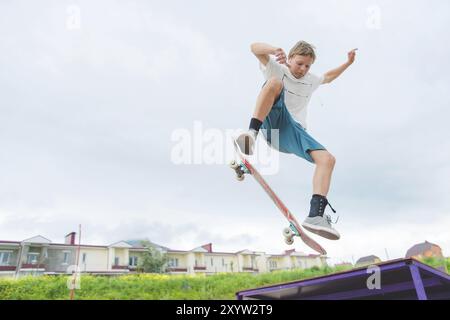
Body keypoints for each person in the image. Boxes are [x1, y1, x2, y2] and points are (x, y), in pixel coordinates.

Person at [235, 41, 357, 240]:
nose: (302, 69)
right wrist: (274, 50)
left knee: (327, 160)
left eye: (307, 66)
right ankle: (251, 134)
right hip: (272, 124)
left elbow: (329, 77)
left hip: (292, 133)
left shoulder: (311, 80)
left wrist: (348, 63)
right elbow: (253, 48)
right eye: (299, 63)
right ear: (290, 59)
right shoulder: (278, 68)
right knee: (274, 82)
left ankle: (315, 216)